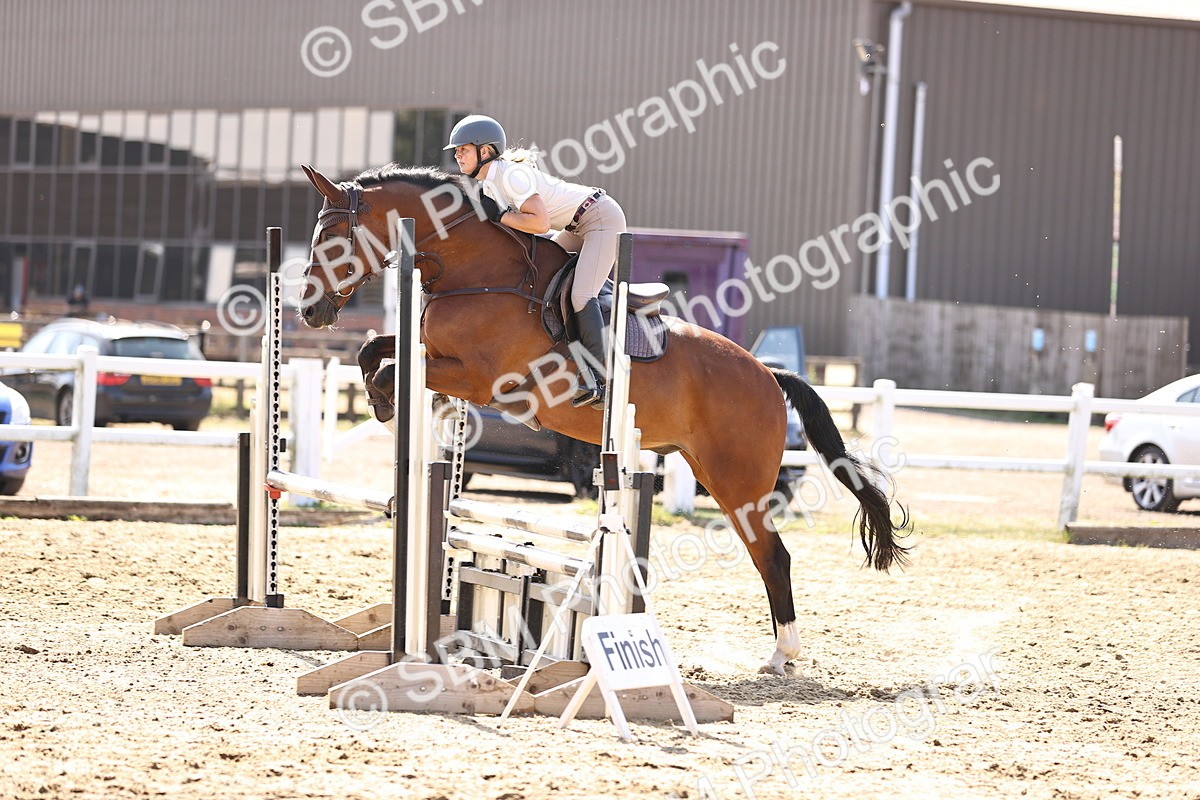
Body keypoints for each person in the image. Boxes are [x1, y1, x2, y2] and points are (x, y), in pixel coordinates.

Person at [444, 114, 627, 410]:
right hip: (575, 226)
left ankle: (602, 379)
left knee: (581, 294)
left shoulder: (510, 176)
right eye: (457, 151)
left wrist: (501, 216)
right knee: (542, 277)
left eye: (462, 149)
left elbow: (540, 224)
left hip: (600, 219)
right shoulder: (490, 185)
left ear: (485, 151)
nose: (456, 155)